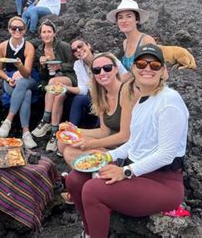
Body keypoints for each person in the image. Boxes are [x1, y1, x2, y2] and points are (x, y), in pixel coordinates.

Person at [67, 44, 189, 238]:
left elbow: (166, 154)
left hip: (163, 182)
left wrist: (125, 171)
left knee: (92, 189)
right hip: (139, 171)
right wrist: (107, 156)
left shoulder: (170, 101)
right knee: (75, 179)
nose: (147, 68)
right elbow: (134, 143)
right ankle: (90, 232)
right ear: (133, 70)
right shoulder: (141, 102)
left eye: (154, 65)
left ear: (164, 71)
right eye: (141, 63)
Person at [58, 52, 132, 167]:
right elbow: (104, 131)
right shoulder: (102, 95)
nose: (102, 73)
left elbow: (125, 136)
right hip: (112, 143)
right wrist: (74, 130)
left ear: (116, 69)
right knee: (63, 141)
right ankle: (92, 169)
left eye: (107, 68)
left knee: (70, 152)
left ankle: (107, 167)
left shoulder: (125, 93)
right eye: (97, 70)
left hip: (127, 148)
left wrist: (92, 144)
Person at [31, 20, 76, 152]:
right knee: (58, 96)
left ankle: (45, 120)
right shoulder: (40, 50)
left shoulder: (64, 46)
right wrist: (42, 66)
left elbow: (75, 65)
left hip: (69, 78)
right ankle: (54, 135)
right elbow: (44, 76)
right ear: (40, 35)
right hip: (53, 84)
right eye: (44, 32)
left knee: (53, 83)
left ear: (54, 33)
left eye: (49, 31)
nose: (46, 34)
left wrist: (60, 66)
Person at [0, 16, 38, 148]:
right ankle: (26, 133)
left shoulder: (28, 47)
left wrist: (19, 66)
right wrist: (8, 78)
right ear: (9, 29)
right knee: (27, 94)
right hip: (10, 78)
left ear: (24, 30)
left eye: (21, 28)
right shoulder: (2, 47)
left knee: (24, 83)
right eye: (14, 28)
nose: (17, 30)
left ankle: (8, 120)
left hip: (28, 78)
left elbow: (27, 73)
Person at [106, 0, 156, 72]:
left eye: (129, 16)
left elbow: (159, 71)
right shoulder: (125, 43)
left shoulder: (146, 41)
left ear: (137, 20)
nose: (124, 21)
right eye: (120, 17)